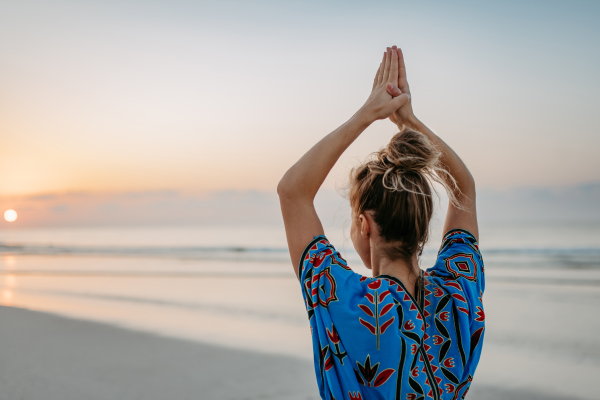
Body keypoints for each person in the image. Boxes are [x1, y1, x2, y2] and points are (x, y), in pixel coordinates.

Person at [277, 46, 485, 400]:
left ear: (365, 225)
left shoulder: (345, 300)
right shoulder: (457, 292)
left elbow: (293, 192)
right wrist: (409, 121)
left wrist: (367, 114)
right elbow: (463, 187)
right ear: (420, 226)